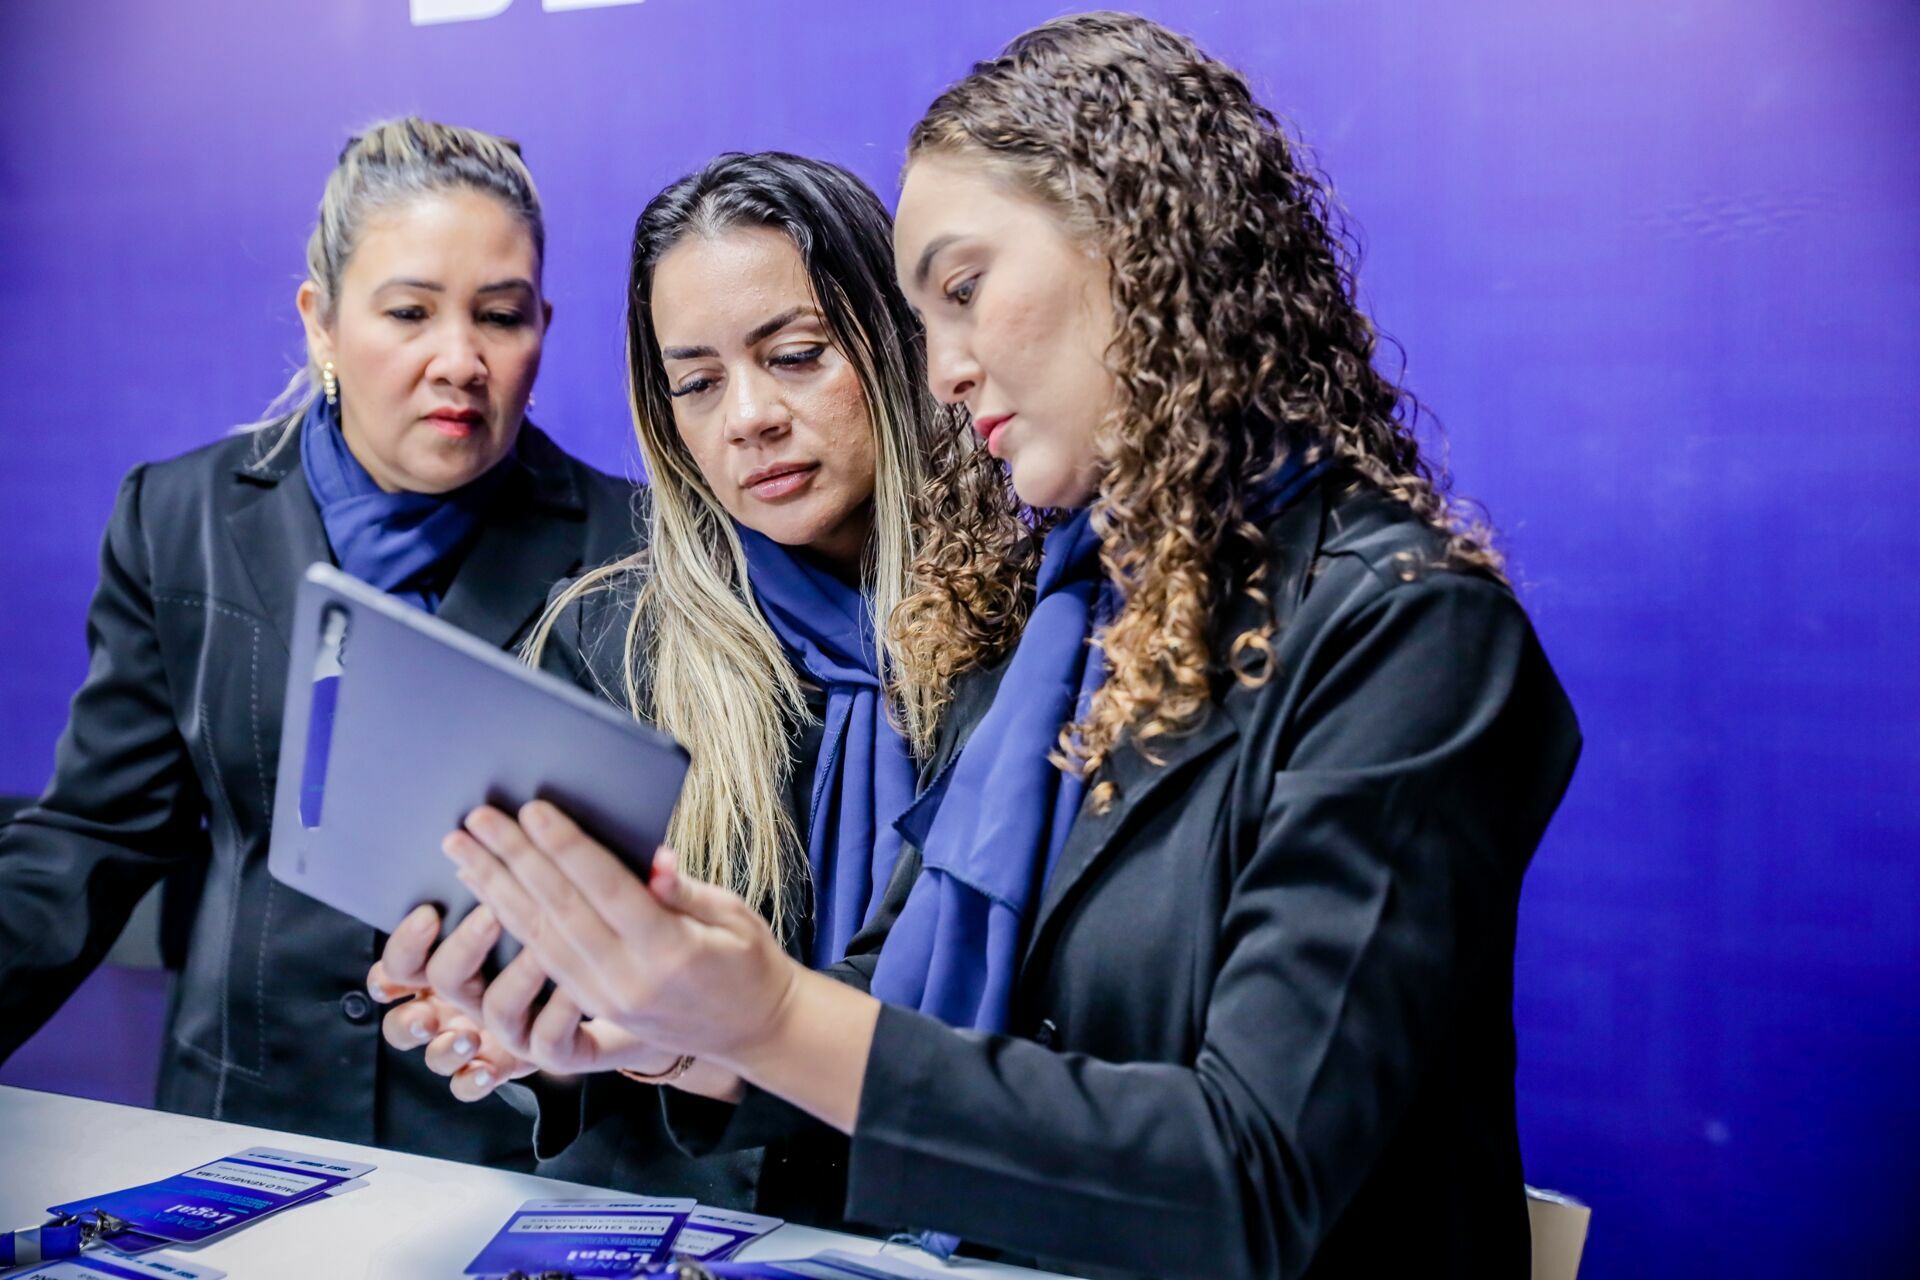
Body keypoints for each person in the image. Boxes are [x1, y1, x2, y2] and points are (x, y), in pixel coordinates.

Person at [445, 15, 1583, 1278]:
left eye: (964, 289)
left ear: (1141, 250)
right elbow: (896, 1022)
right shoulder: (1048, 626)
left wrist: (768, 1009)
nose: (939, 373)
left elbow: (1250, 1178)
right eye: (922, 318)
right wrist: (656, 1018)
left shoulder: (1410, 629)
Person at [368, 152, 1019, 1212]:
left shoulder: (1034, 629)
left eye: (797, 355)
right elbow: (588, 1049)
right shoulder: (613, 641)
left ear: (904, 345)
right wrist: (525, 1020)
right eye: (699, 381)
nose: (749, 415)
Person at [0, 118, 638, 1172]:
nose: (461, 359)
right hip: (240, 1119)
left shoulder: (631, 550)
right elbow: (93, 836)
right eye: (409, 312)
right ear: (322, 323)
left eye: (501, 315)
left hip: (506, 1151)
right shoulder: (182, 517)